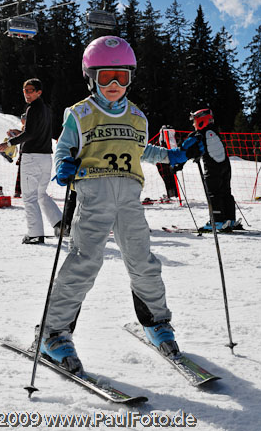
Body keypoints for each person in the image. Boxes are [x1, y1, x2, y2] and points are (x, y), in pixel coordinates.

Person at [39, 36, 204, 374]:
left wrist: (175, 155)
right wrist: (64, 166)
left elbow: (143, 150)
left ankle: (157, 322)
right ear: (91, 77)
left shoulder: (136, 116)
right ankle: (54, 333)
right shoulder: (80, 114)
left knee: (143, 261)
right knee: (85, 262)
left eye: (121, 77)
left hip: (129, 196)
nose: (113, 84)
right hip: (94, 194)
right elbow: (64, 148)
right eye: (105, 77)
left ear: (130, 77)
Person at [0, 78, 62, 244]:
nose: (27, 93)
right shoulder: (46, 109)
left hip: (32, 158)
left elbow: (31, 134)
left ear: (39, 92)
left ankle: (35, 234)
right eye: (25, 90)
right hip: (46, 157)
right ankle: (60, 224)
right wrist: (19, 133)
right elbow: (36, 132)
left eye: (30, 90)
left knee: (30, 197)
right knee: (41, 194)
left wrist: (9, 143)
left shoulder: (33, 109)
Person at [189, 108, 242, 231]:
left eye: (195, 121)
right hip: (225, 167)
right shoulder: (215, 131)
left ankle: (217, 221)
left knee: (213, 193)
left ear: (202, 121)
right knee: (225, 192)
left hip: (213, 169)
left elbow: (192, 149)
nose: (193, 124)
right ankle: (230, 219)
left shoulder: (200, 135)